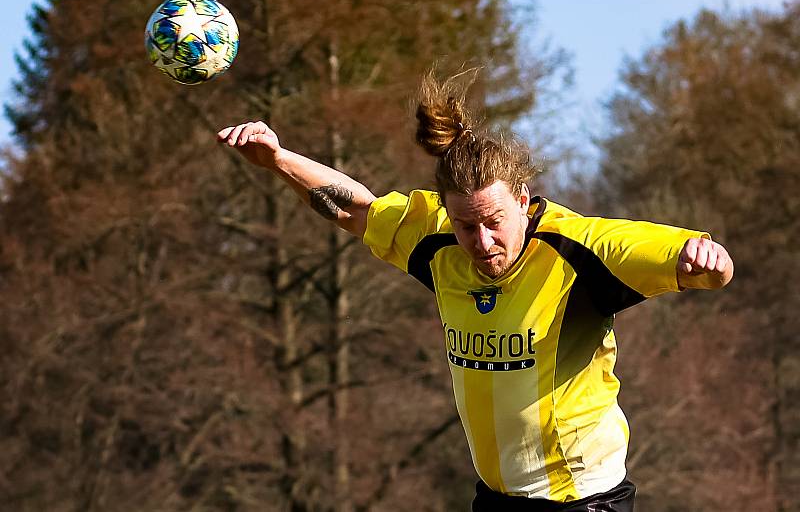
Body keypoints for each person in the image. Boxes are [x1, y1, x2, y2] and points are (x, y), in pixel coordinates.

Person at [217, 72, 733, 512]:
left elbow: (702, 265)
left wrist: (709, 263)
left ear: (523, 200)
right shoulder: (437, 241)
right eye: (466, 225)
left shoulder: (581, 248)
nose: (481, 242)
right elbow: (357, 209)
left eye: (493, 222)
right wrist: (278, 158)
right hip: (495, 499)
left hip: (583, 501)